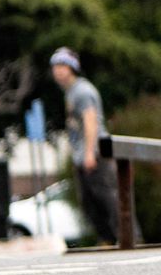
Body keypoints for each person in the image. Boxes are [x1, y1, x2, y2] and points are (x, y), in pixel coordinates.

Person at [50, 47, 119, 245]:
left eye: (62, 66)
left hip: (95, 153)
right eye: (55, 66)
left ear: (72, 68)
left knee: (107, 198)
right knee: (89, 202)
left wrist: (89, 152)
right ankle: (107, 238)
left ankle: (124, 237)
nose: (58, 71)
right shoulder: (70, 93)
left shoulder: (82, 91)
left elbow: (91, 121)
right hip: (83, 154)